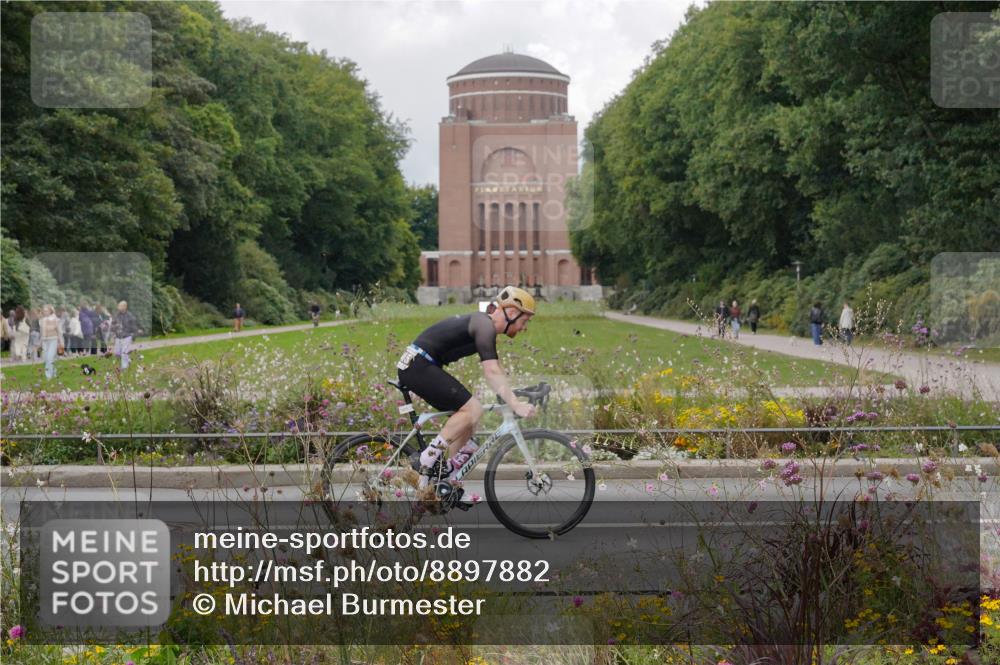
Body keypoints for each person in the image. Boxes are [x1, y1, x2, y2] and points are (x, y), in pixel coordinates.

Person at [398, 286, 538, 491]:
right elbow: (491, 371)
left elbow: (496, 367)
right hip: (418, 366)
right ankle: (426, 460)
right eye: (524, 321)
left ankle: (448, 483)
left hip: (420, 365)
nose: (524, 328)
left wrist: (512, 393)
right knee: (473, 409)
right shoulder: (484, 325)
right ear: (512, 312)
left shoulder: (484, 325)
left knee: (469, 421)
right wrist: (515, 404)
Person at [112, 300, 140, 370]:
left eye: (120, 306)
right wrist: (114, 332)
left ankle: (124, 368)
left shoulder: (130, 316)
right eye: (118, 305)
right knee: (117, 353)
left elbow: (135, 328)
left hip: (127, 337)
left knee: (124, 353)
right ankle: (128, 361)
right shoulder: (117, 315)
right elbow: (113, 324)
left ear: (125, 307)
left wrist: (133, 337)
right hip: (118, 337)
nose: (118, 307)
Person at [40, 305, 61, 379]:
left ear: (50, 311)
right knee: (46, 357)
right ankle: (53, 372)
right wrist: (40, 341)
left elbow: (59, 331)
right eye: (44, 311)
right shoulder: (42, 320)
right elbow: (42, 331)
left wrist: (60, 341)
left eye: (46, 310)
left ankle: (48, 376)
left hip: (53, 339)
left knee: (50, 357)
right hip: (45, 340)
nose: (45, 312)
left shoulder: (55, 319)